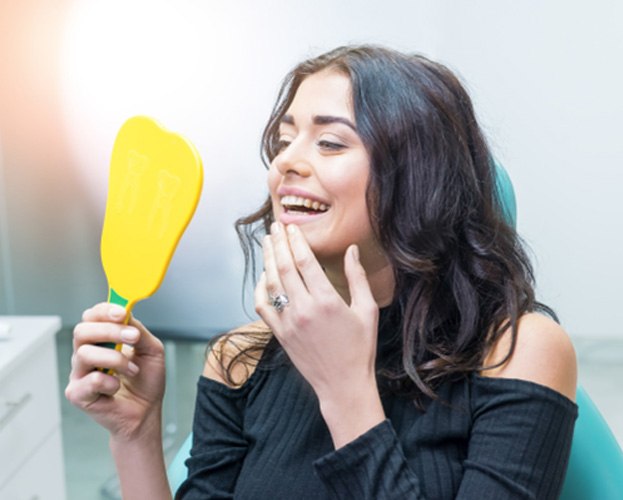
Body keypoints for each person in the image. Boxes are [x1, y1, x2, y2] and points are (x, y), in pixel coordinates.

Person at [66, 45, 578, 499]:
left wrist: (344, 391)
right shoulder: (237, 359)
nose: (287, 162)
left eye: (330, 143)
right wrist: (134, 436)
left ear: (422, 178)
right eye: (284, 142)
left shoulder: (515, 352)